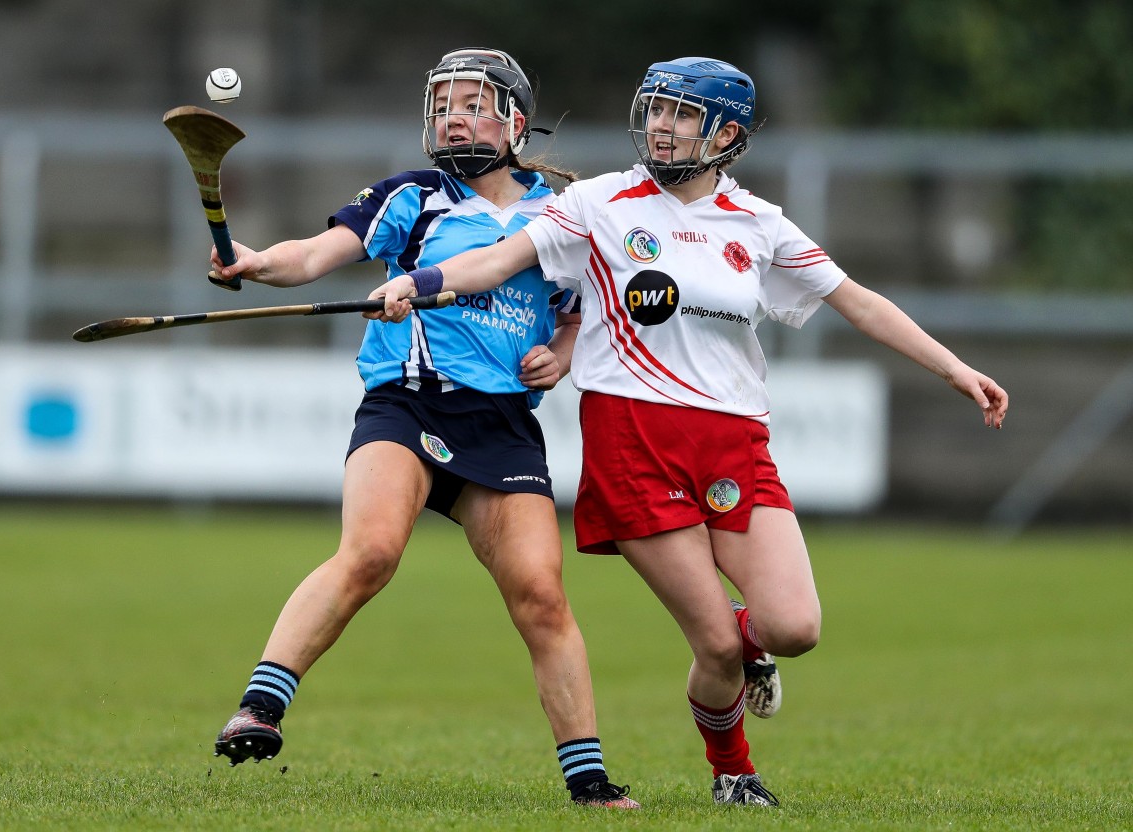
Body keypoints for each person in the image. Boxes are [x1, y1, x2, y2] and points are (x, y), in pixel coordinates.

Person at [370, 56, 1010, 808]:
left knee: (794, 627)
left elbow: (859, 302)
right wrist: (423, 282)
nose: (660, 130)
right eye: (654, 112)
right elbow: (498, 259)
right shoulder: (601, 202)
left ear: (727, 134)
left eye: (680, 117)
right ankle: (732, 771)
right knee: (712, 644)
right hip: (631, 440)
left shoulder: (758, 224)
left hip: (735, 442)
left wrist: (955, 369)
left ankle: (750, 636)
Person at [206, 47, 639, 810]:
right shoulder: (410, 195)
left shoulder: (563, 215)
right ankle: (260, 707)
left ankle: (590, 784)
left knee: (542, 595)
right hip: (407, 404)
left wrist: (562, 355)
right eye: (442, 104)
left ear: (515, 121)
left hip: (501, 423)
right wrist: (255, 261)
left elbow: (579, 311)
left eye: (471, 103)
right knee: (371, 552)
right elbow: (312, 256)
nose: (451, 117)